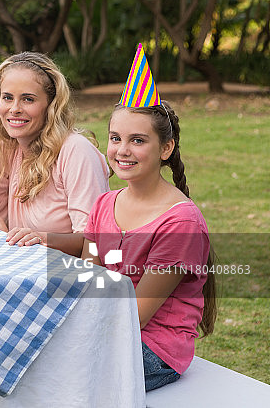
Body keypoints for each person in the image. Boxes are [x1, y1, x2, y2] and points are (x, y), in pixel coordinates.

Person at [81, 102, 216, 391]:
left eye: (138, 140)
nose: (122, 150)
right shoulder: (104, 204)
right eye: (115, 138)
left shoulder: (181, 222)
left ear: (166, 149)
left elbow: (135, 314)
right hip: (104, 325)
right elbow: (87, 277)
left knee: (58, 376)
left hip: (152, 347)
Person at [0, 52, 109, 256]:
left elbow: (95, 243)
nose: (14, 109)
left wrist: (42, 238)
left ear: (51, 105)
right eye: (7, 98)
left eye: (28, 99)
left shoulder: (76, 151)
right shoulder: (10, 146)